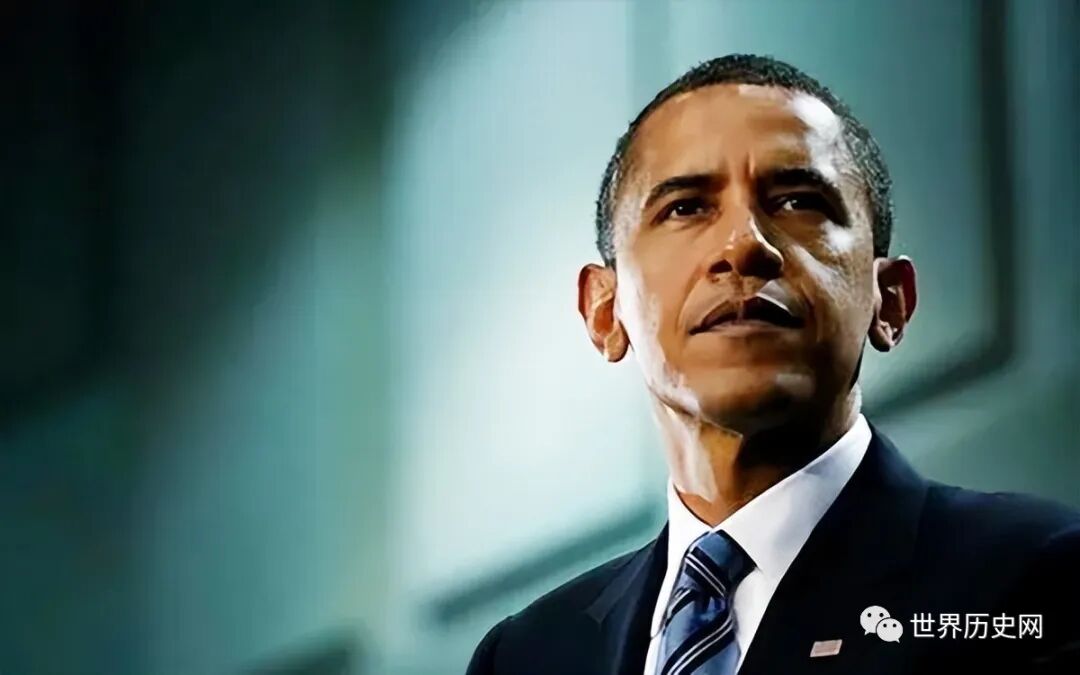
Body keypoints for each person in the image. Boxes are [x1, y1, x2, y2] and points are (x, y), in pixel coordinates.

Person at [465, 54, 1080, 675]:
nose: (744, 245)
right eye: (686, 207)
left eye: (797, 202)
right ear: (604, 311)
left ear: (889, 300)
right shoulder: (524, 656)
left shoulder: (1041, 580)